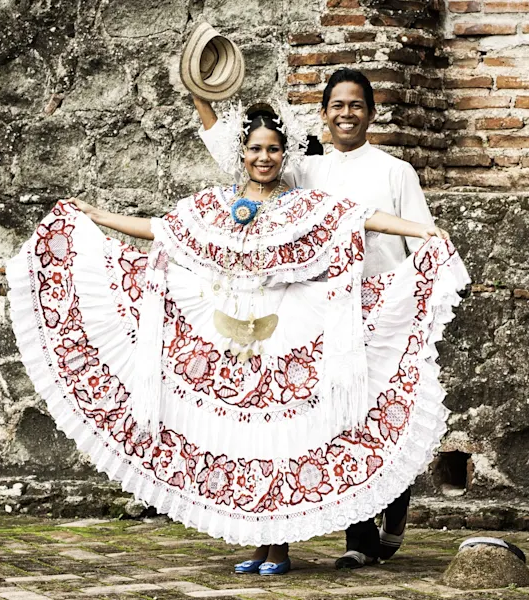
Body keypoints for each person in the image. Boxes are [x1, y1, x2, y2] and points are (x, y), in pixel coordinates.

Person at [6, 105, 468, 577]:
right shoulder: (213, 206)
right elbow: (158, 229)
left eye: (272, 149)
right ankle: (256, 542)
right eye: (255, 149)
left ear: (285, 153)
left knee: (279, 436)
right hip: (226, 331)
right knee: (247, 441)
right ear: (241, 153)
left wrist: (423, 229)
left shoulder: (304, 205)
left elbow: (364, 219)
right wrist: (96, 214)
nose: (263, 158)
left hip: (287, 331)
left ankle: (280, 547)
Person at [194, 68, 432, 570]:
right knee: (336, 417)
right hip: (325, 310)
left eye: (356, 105)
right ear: (323, 113)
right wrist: (201, 95)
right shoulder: (308, 169)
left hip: (384, 307)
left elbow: (420, 237)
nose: (347, 113)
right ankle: (359, 537)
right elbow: (244, 157)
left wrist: (423, 299)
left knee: (381, 410)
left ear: (371, 112)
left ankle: (394, 500)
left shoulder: (396, 171)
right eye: (337, 105)